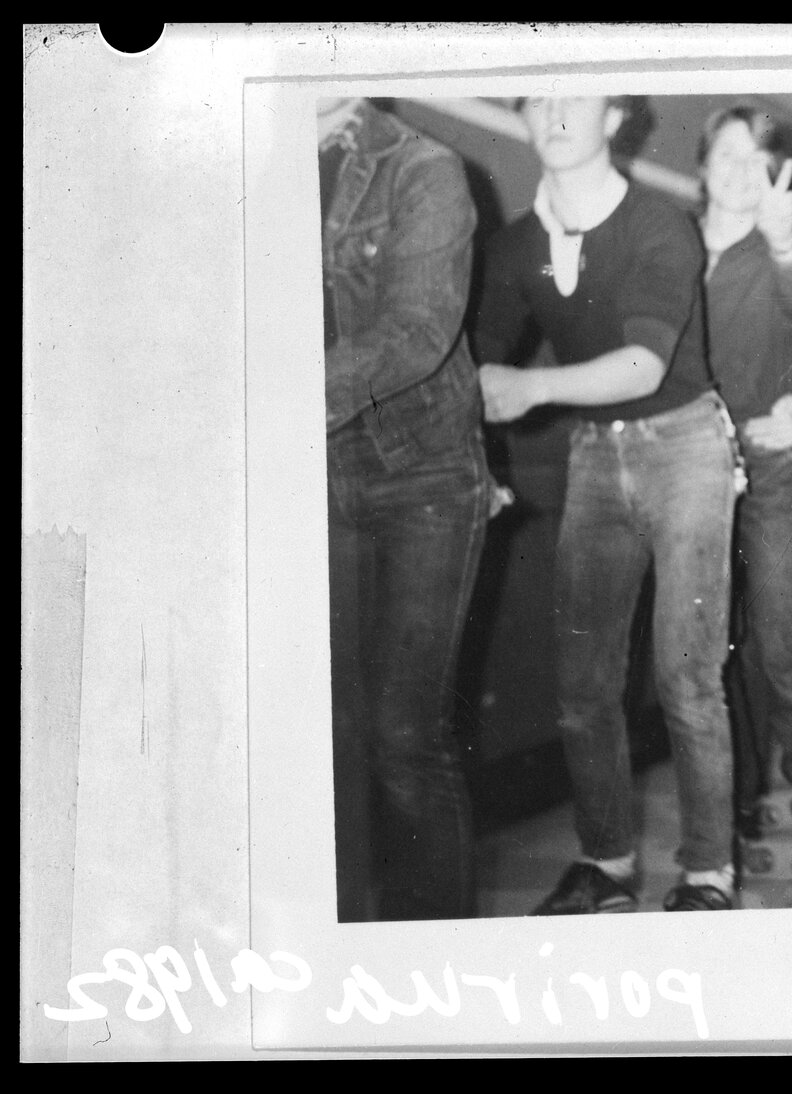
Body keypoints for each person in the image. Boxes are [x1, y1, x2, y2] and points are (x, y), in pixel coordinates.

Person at [473, 95, 738, 913]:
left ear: (615, 117)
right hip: (595, 456)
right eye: (538, 100)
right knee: (583, 687)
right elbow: (476, 362)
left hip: (685, 447)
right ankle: (608, 863)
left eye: (575, 99)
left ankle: (708, 874)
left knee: (686, 679)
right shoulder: (518, 246)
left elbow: (643, 367)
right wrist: (475, 456)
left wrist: (530, 387)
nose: (554, 113)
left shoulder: (661, 225)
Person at [320, 97, 491, 922]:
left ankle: (436, 968)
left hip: (416, 475)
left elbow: (417, 332)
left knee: (401, 737)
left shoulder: (422, 167)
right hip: (306, 470)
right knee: (327, 734)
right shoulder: (235, 166)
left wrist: (264, 397)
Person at [692, 105, 792, 884]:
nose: (738, 168)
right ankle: (733, 805)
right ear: (700, 166)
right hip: (689, 464)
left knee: (784, 642)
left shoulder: (776, 245)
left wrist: (785, 232)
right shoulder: (670, 244)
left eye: (755, 159)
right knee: (705, 652)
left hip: (772, 461)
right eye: (725, 153)